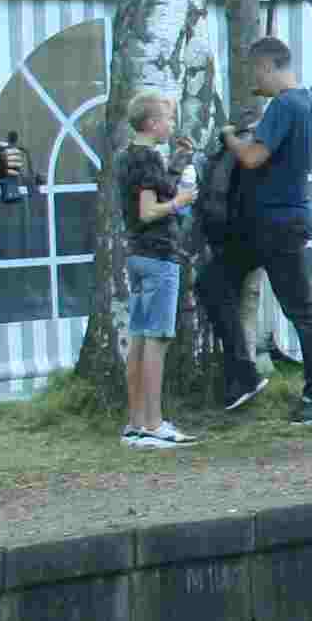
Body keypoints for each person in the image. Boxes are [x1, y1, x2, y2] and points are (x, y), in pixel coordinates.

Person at [200, 35, 312, 425]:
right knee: (213, 283)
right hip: (274, 223)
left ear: (268, 66)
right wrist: (276, 136)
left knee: (301, 312)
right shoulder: (308, 101)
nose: (254, 80)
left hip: (276, 223)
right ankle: (244, 374)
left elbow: (254, 157)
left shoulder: (283, 104)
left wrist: (232, 138)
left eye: (255, 72)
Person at [114, 92, 194, 448]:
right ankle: (153, 423)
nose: (172, 124)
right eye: (167, 118)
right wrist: (179, 201)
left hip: (136, 255)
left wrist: (175, 164)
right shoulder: (148, 158)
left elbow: (148, 193)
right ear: (152, 124)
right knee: (156, 340)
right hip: (159, 255)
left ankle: (134, 423)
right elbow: (149, 211)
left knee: (139, 338)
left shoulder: (127, 157)